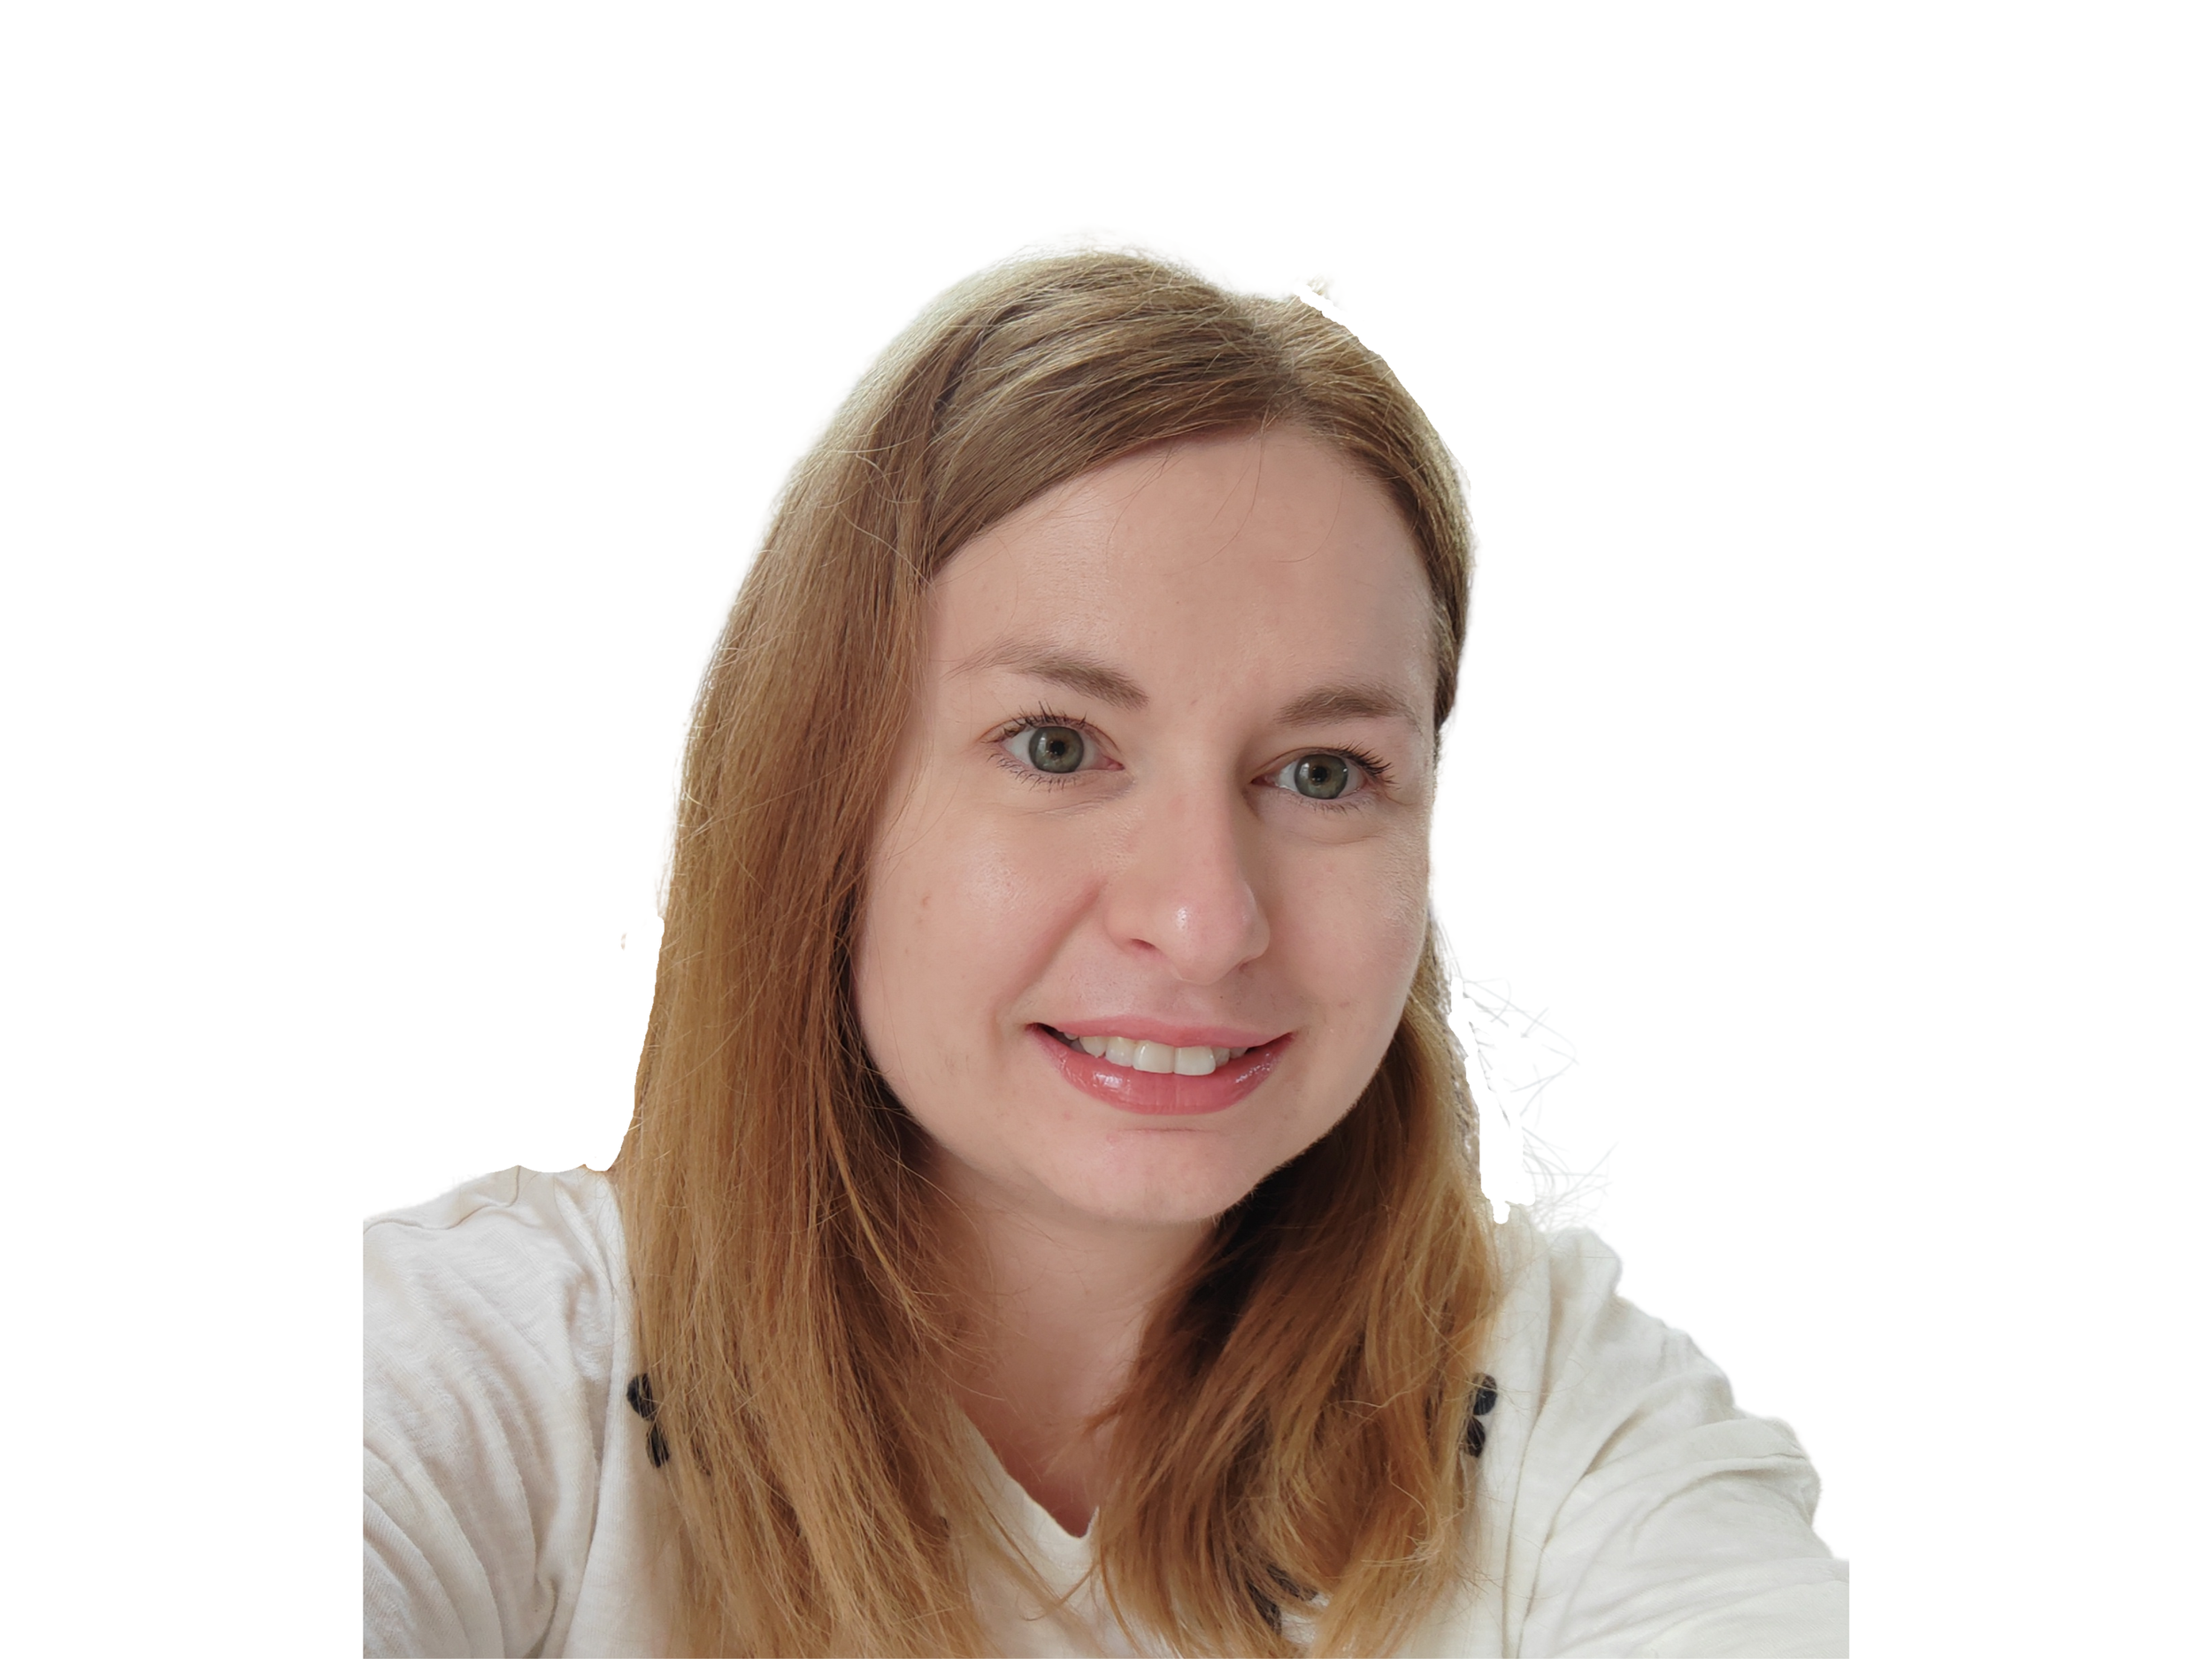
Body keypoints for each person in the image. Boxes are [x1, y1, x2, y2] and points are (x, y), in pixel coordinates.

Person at [364, 251, 1847, 1657]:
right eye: (1059, 746)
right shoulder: (474, 1380)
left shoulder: (1566, 1423)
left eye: (1324, 771)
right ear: (823, 799)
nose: (1206, 920)